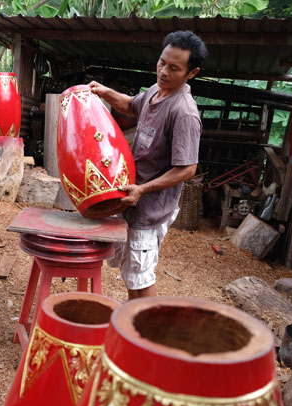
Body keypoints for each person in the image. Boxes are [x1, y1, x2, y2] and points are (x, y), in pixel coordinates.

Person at [88, 30, 207, 299]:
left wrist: (143, 190)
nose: (163, 71)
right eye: (162, 62)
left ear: (192, 73)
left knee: (140, 278)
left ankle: (144, 332)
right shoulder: (157, 91)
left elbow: (188, 169)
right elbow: (132, 106)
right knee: (131, 272)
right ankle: (135, 327)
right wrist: (104, 92)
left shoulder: (184, 112)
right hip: (133, 197)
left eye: (174, 68)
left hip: (150, 207)